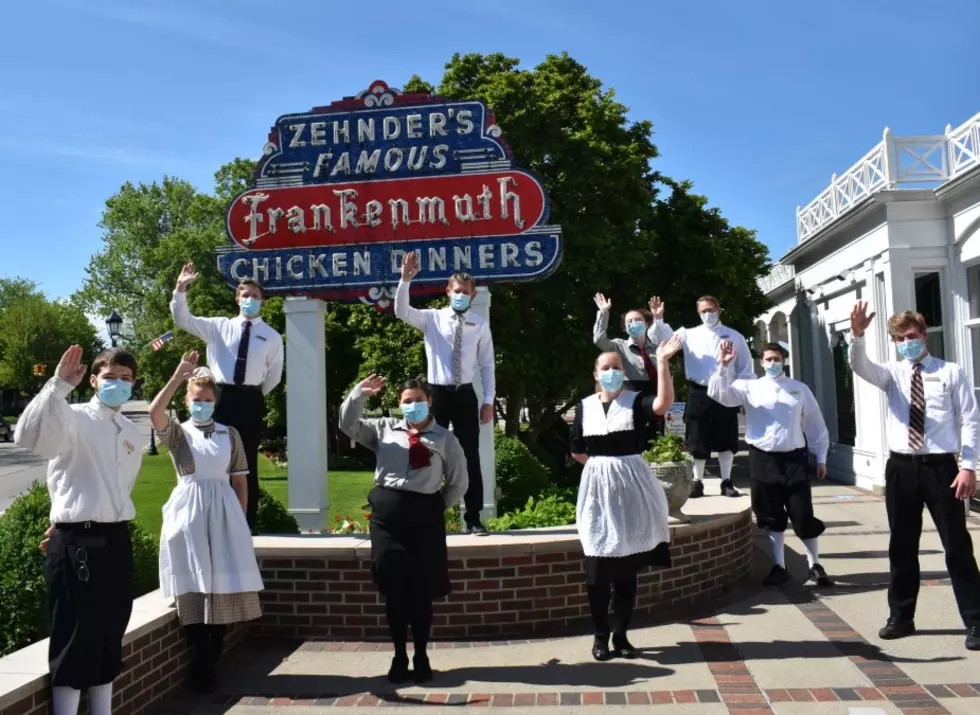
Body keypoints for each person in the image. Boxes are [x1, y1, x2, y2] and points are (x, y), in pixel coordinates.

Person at [14, 346, 142, 715]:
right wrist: (56, 387)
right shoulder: (73, 417)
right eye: (110, 377)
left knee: (108, 634)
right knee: (74, 637)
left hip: (116, 541)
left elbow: (106, 490)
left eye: (126, 378)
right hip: (78, 543)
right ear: (93, 380)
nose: (118, 384)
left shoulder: (130, 430)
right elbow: (31, 436)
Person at [849, 302, 980, 650]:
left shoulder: (951, 372)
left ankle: (976, 620)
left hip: (941, 469)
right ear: (894, 342)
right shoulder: (891, 374)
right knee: (902, 546)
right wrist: (858, 336)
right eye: (900, 338)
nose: (907, 342)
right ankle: (901, 617)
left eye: (911, 336)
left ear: (923, 335)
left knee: (957, 547)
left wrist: (969, 466)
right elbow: (859, 366)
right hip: (902, 468)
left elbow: (970, 419)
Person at [339, 374, 468, 683]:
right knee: (394, 590)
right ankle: (399, 655)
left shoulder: (446, 439)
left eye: (418, 401)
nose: (413, 406)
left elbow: (458, 482)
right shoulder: (383, 429)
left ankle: (421, 655)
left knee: (420, 591)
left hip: (425, 519)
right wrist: (358, 394)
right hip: (387, 520)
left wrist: (432, 507)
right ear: (399, 404)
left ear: (430, 402)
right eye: (407, 402)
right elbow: (347, 424)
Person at [149, 352, 264, 692]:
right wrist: (175, 378)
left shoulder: (230, 435)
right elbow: (155, 413)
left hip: (225, 509)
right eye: (196, 399)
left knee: (223, 585)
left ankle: (214, 652)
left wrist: (240, 520)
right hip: (189, 509)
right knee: (195, 584)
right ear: (187, 401)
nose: (202, 404)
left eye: (207, 400)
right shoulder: (179, 434)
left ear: (216, 401)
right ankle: (202, 656)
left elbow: (240, 479)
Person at [570, 335, 683, 662]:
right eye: (605, 367)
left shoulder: (635, 401)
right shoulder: (585, 407)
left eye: (616, 367)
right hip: (598, 494)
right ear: (595, 374)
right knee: (597, 567)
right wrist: (601, 470)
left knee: (626, 570)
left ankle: (620, 634)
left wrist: (662, 363)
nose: (611, 371)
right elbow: (577, 450)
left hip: (633, 490)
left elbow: (663, 403)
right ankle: (600, 635)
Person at [170, 262, 284, 532]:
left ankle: (246, 523)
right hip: (219, 397)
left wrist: (252, 394)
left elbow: (274, 376)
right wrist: (180, 289)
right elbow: (183, 319)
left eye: (255, 296)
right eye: (245, 296)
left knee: (247, 464)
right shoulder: (218, 326)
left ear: (263, 301)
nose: (250, 300)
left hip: (250, 400)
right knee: (212, 457)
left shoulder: (272, 336)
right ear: (237, 299)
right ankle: (211, 519)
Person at [709, 342, 833, 587]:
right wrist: (723, 365)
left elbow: (814, 423)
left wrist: (821, 457)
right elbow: (719, 395)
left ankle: (814, 565)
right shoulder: (749, 387)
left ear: (784, 360)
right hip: (763, 458)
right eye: (768, 359)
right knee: (770, 514)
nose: (772, 363)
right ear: (761, 362)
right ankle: (779, 566)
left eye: (777, 358)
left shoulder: (799, 389)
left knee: (802, 513)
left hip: (794, 458)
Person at [394, 251, 494, 534]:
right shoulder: (433, 319)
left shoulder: (479, 324)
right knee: (425, 452)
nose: (460, 295)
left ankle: (473, 518)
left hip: (465, 395)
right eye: (456, 290)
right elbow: (402, 312)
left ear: (473, 295)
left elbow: (487, 365)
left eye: (466, 291)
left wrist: (487, 400)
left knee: (469, 457)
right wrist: (405, 281)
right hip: (436, 394)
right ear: (447, 292)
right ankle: (422, 515)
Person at [659, 295, 753, 498]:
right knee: (697, 438)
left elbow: (745, 368)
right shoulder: (688, 334)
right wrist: (658, 320)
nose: (707, 314)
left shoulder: (734, 336)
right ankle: (697, 481)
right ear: (698, 313)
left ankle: (726, 481)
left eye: (711, 310)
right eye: (703, 311)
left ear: (718, 310)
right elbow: (664, 340)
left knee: (726, 438)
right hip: (699, 391)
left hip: (725, 390)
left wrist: (744, 395)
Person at [593, 293, 674, 441]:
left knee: (657, 438)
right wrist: (604, 312)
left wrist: (658, 318)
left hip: (656, 394)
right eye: (629, 321)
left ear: (646, 324)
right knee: (635, 438)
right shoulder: (619, 346)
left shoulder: (656, 346)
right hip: (632, 394)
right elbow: (599, 339)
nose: (634, 323)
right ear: (625, 327)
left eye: (638, 320)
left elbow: (670, 343)